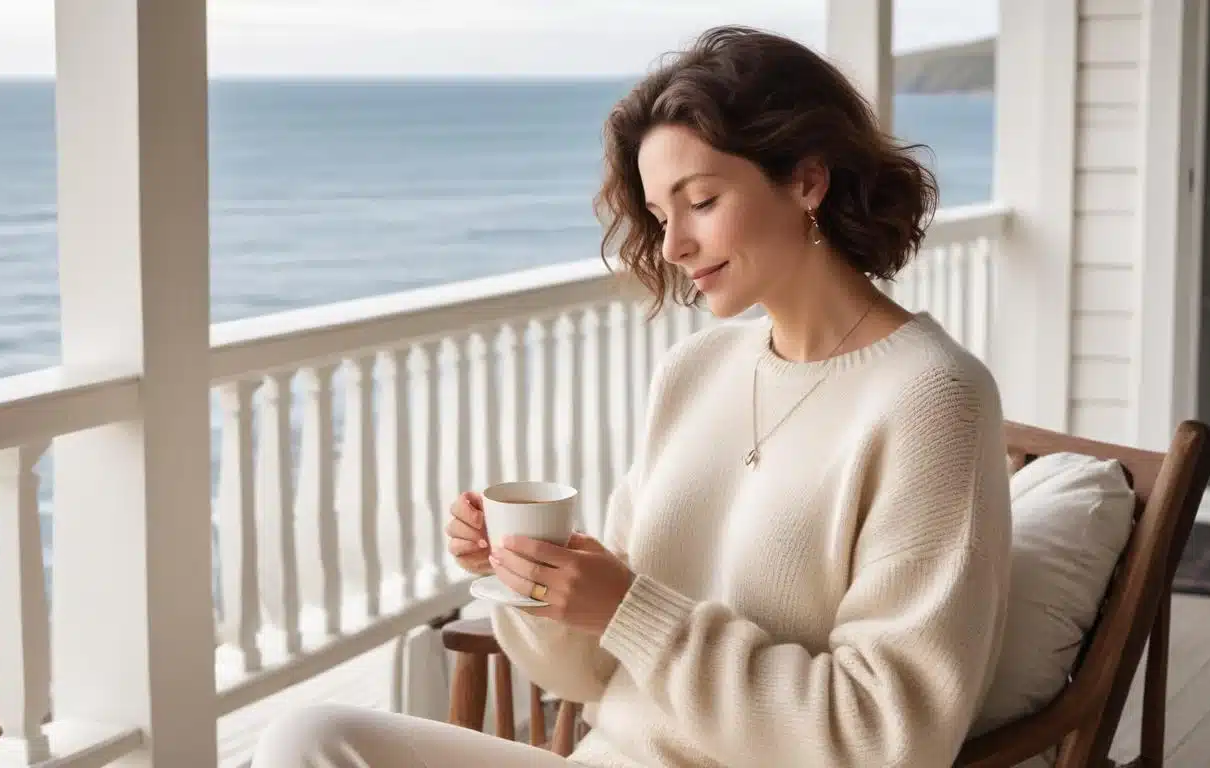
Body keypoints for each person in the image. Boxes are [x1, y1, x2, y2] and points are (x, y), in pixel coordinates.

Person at [251, 24, 1013, 768]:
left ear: (808, 180)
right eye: (658, 215)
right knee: (308, 739)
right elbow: (589, 677)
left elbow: (889, 739)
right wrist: (532, 581)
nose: (674, 244)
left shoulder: (933, 397)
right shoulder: (695, 371)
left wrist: (629, 608)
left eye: (702, 201)